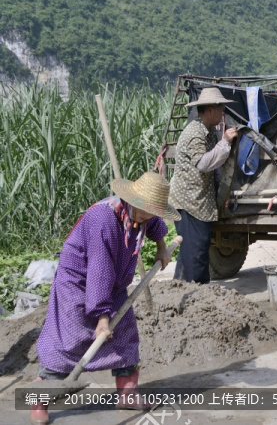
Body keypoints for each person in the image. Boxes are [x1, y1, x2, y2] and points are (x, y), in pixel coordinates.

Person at [31, 172, 180, 425]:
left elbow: (155, 227)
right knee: (67, 341)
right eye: (146, 210)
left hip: (114, 282)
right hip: (78, 282)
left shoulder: (145, 214)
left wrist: (161, 247)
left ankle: (127, 394)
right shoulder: (104, 219)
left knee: (124, 333)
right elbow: (99, 270)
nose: (149, 216)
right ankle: (38, 400)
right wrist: (102, 317)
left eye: (154, 212)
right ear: (132, 200)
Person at [169, 87, 238, 284]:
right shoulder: (195, 133)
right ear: (210, 110)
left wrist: (221, 194)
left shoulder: (209, 132)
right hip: (189, 203)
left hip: (199, 201)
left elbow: (216, 169)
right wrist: (224, 142)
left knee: (189, 252)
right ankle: (196, 294)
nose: (222, 112)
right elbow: (203, 163)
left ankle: (180, 288)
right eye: (221, 109)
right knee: (197, 253)